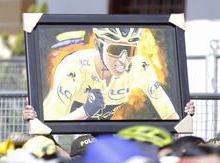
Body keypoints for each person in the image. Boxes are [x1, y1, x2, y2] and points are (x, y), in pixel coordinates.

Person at [42, 27, 182, 120]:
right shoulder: (73, 66)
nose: (123, 60)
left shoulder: (139, 66)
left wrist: (185, 114)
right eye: (115, 50)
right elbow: (49, 124)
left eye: (130, 51)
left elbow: (170, 115)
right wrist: (85, 111)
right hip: (76, 135)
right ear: (97, 44)